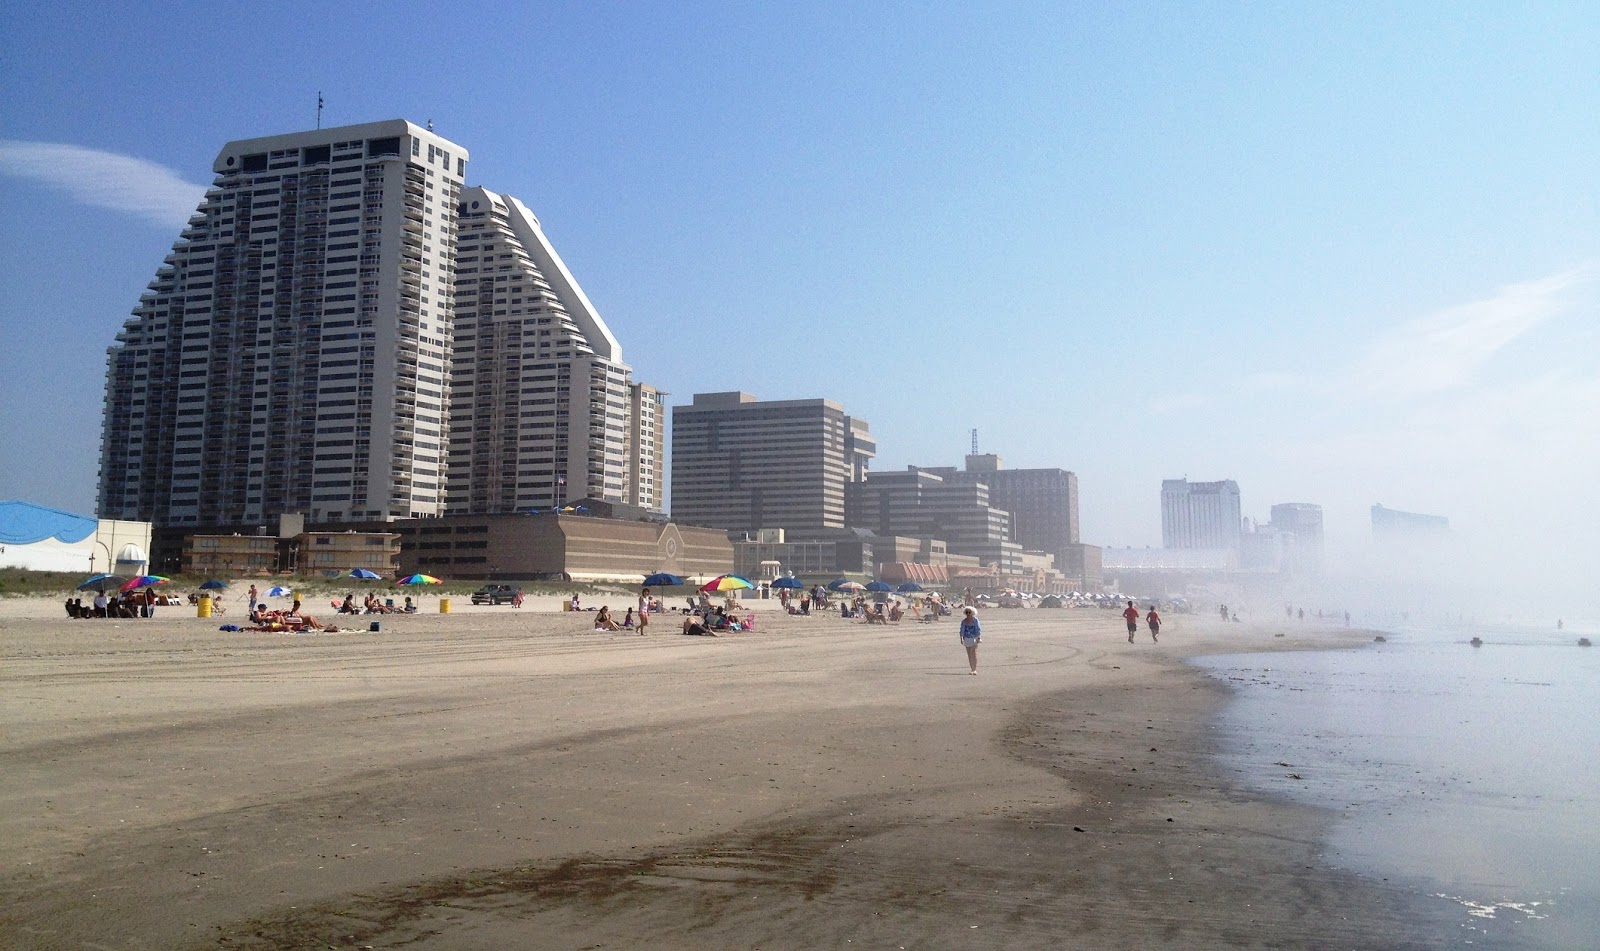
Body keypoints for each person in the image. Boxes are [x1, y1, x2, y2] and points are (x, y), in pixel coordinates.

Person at [960, 606, 982, 675]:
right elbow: (962, 630)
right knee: (969, 654)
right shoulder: (964, 621)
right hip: (967, 638)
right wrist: (961, 638)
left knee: (974, 653)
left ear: (972, 613)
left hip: (974, 638)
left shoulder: (975, 620)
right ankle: (972, 669)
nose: (968, 614)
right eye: (967, 612)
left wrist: (978, 637)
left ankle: (974, 669)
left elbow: (978, 629)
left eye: (970, 612)